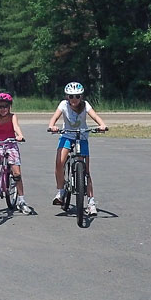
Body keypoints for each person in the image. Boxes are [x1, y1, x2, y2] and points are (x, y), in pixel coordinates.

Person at [47, 81, 108, 216]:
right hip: (67, 136)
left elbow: (96, 116)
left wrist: (102, 125)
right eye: (71, 96)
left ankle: (91, 202)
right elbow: (54, 118)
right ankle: (61, 191)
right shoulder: (63, 105)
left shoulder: (86, 105)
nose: (74, 99)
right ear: (66, 97)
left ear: (81, 96)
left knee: (86, 170)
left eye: (77, 96)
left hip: (82, 137)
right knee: (59, 163)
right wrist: (52, 126)